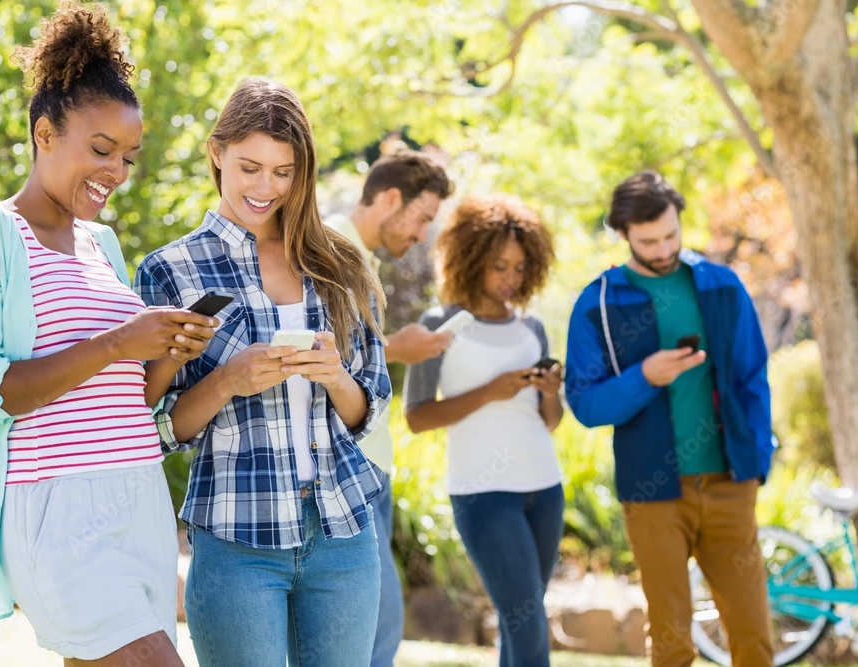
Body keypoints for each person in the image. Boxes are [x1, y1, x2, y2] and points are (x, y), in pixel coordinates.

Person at [0, 4, 217, 665]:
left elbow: (123, 398)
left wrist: (167, 353)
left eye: (128, 158)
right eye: (101, 150)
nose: (115, 172)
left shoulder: (101, 245)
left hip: (139, 501)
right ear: (44, 133)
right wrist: (118, 342)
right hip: (57, 509)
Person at [134, 77, 391, 666]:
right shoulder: (170, 270)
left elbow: (369, 408)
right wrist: (227, 380)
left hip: (343, 532)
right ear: (217, 153)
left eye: (284, 172)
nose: (266, 188)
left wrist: (333, 375)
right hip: (236, 537)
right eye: (250, 167)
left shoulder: (340, 262)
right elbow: (150, 425)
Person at [564, 171, 774, 666]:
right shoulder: (597, 303)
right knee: (673, 638)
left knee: (753, 632)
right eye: (648, 241)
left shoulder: (722, 286)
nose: (663, 249)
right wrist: (646, 376)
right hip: (653, 493)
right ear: (623, 236)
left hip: (730, 482)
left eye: (670, 235)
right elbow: (587, 406)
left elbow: (752, 376)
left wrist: (757, 460)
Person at [403, 194, 565, 667]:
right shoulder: (440, 326)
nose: (510, 279)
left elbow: (548, 421)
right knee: (530, 628)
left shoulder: (531, 327)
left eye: (519, 268)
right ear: (470, 259)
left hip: (545, 488)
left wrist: (551, 392)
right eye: (499, 266)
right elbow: (416, 416)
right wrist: (488, 392)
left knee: (520, 628)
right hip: (484, 492)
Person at [323, 150, 454, 666]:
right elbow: (325, 352)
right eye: (422, 218)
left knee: (373, 625)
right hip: (349, 460)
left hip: (371, 460)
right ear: (391, 198)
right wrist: (402, 347)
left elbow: (353, 351)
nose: (423, 234)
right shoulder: (333, 246)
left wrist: (398, 346)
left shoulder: (359, 255)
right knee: (378, 626)